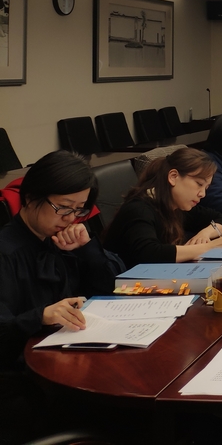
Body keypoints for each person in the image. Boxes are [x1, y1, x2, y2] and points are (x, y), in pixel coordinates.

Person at [0, 151, 123, 369]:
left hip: (71, 351)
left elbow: (112, 289)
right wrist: (40, 316)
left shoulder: (61, 240)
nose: (70, 218)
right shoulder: (6, 253)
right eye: (63, 207)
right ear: (30, 198)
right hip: (26, 370)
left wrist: (87, 249)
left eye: (78, 209)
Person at [103, 148, 222, 269]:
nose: (203, 194)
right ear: (173, 177)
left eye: (206, 188)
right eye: (199, 184)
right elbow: (149, 253)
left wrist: (205, 233)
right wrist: (209, 247)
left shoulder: (177, 205)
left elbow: (221, 218)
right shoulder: (139, 209)